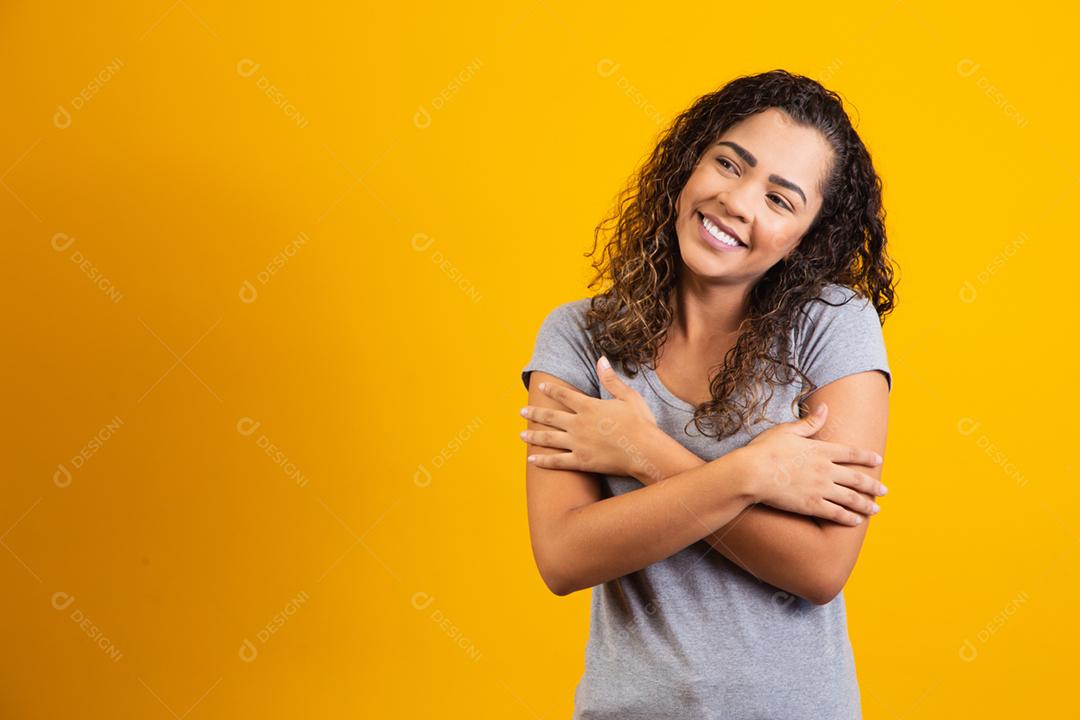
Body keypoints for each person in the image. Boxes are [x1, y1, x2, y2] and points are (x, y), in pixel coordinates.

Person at [519, 69, 897, 718]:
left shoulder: (832, 326)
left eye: (780, 200)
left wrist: (642, 451)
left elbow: (819, 569)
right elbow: (563, 556)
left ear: (804, 238)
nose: (739, 201)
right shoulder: (579, 337)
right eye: (729, 163)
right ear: (689, 165)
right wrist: (756, 473)